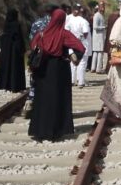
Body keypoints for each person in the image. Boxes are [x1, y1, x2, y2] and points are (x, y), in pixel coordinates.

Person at [28, 9, 85, 141]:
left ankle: (39, 130)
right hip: (59, 69)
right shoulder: (64, 34)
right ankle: (55, 131)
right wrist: (71, 56)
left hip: (42, 69)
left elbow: (33, 46)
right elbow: (80, 47)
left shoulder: (42, 33)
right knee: (57, 99)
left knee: (42, 99)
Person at [0, 8, 26, 93]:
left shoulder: (6, 25)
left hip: (6, 50)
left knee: (7, 67)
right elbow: (19, 38)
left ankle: (6, 86)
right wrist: (22, 49)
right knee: (15, 68)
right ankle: (15, 86)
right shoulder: (16, 25)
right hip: (15, 50)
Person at [66, 5, 90, 88]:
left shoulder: (70, 20)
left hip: (72, 44)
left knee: (73, 62)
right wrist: (80, 38)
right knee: (82, 63)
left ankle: (72, 81)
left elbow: (66, 31)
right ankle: (81, 82)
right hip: (82, 45)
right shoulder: (83, 21)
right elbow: (86, 32)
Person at [91, 3, 106, 74]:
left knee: (96, 53)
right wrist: (104, 27)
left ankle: (93, 68)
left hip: (100, 36)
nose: (103, 8)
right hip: (98, 36)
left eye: (104, 7)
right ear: (99, 7)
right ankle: (98, 69)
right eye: (102, 7)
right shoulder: (97, 15)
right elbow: (95, 27)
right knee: (99, 52)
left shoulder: (101, 15)